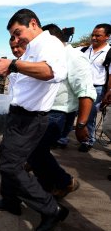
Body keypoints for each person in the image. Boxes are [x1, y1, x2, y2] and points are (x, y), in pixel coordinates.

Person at [0, 9, 68, 231]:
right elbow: (25, 80)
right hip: (17, 115)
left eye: (18, 32)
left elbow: (52, 72)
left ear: (33, 23)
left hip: (31, 119)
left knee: (10, 166)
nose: (16, 39)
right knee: (5, 158)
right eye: (13, 36)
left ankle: (51, 209)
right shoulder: (32, 48)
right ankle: (10, 200)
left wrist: (13, 64)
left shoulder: (49, 43)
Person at [27, 23, 96, 198]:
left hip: (59, 114)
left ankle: (65, 183)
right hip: (43, 112)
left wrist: (81, 125)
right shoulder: (50, 56)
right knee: (36, 152)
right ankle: (49, 187)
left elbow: (86, 92)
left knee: (37, 152)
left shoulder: (73, 57)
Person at [78, 23, 111, 152]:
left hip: (96, 89)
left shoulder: (109, 52)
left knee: (89, 116)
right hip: (80, 86)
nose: (94, 38)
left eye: (98, 35)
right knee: (73, 113)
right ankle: (62, 138)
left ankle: (88, 141)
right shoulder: (84, 50)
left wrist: (108, 92)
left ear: (107, 37)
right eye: (93, 34)